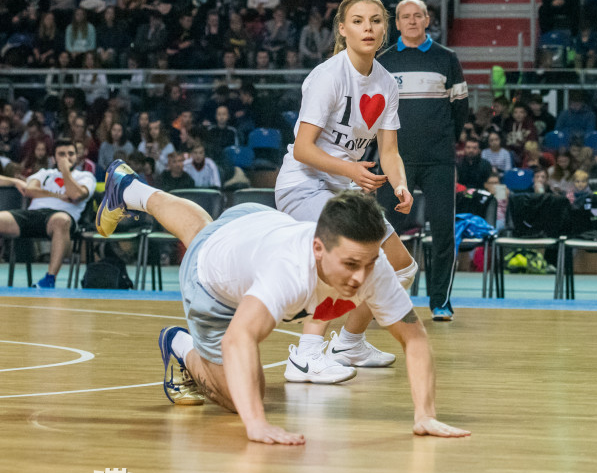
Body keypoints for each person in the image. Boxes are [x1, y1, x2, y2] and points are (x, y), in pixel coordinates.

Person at [96, 165, 469, 444]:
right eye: (351, 265)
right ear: (318, 249)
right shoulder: (288, 270)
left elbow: (415, 339)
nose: (361, 278)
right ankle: (179, 345)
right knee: (244, 398)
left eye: (368, 264)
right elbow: (238, 338)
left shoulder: (370, 265)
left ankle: (132, 189)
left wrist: (425, 415)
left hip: (253, 223)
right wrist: (255, 424)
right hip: (212, 283)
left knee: (204, 233)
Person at [275, 0, 422, 385]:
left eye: (375, 20)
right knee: (344, 255)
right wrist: (352, 170)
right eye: (357, 21)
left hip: (344, 186)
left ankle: (350, 344)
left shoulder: (387, 83)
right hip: (304, 184)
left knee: (403, 266)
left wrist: (401, 184)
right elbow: (304, 149)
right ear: (343, 29)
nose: (367, 28)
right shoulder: (327, 76)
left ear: (385, 29)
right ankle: (305, 356)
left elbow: (389, 150)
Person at [377, 0, 468, 320]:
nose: (412, 21)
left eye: (418, 16)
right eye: (405, 16)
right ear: (397, 24)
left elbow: (460, 109)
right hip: (395, 161)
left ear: (427, 20)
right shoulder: (383, 61)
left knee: (443, 230)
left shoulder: (447, 58)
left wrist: (442, 141)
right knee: (385, 231)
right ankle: (382, 301)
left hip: (439, 160)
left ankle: (440, 302)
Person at [0, 138, 96, 288]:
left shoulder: (85, 177)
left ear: (77, 156)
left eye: (70, 154)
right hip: (32, 215)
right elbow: (30, 190)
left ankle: (49, 279)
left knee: (61, 220)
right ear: (54, 158)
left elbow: (76, 195)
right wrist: (59, 196)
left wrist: (65, 171)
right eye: (61, 154)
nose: (66, 157)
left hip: (60, 217)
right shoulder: (44, 173)